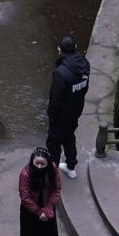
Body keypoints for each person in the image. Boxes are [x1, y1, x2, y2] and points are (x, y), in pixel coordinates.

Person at [45, 35, 91, 177]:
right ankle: (71, 167)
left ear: (59, 49)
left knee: (53, 143)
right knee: (69, 137)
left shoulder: (61, 73)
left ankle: (53, 175)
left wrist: (51, 115)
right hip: (75, 110)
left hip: (61, 116)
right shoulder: (85, 64)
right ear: (75, 47)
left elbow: (55, 99)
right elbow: (85, 88)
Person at [16, 146, 61, 236]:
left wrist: (48, 209)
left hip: (47, 209)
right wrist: (38, 212)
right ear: (32, 161)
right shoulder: (25, 173)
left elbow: (56, 189)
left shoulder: (53, 169)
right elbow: (25, 197)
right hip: (30, 212)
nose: (40, 166)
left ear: (48, 163)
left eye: (43, 164)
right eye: (37, 163)